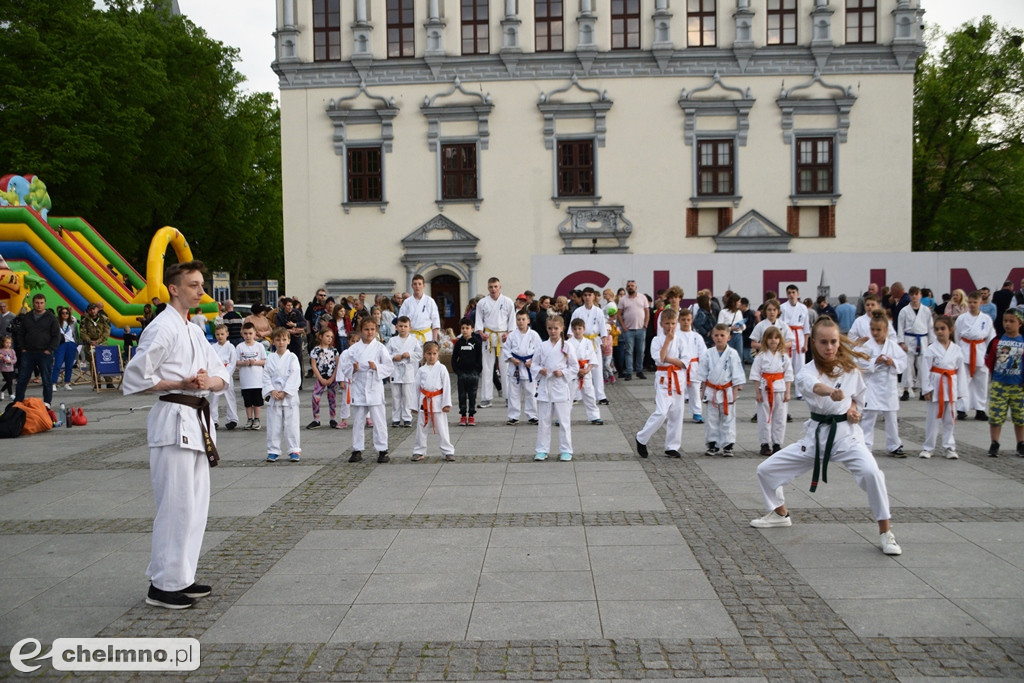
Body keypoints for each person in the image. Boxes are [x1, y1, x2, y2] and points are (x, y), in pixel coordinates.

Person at [121, 260, 228, 609]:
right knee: (175, 504)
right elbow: (136, 377)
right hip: (173, 419)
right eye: (194, 285)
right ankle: (162, 585)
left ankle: (182, 576)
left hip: (197, 419)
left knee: (196, 505)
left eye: (201, 284)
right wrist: (180, 382)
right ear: (174, 288)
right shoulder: (161, 327)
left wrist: (205, 381)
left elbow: (221, 374)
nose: (200, 291)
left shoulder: (195, 329)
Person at [751, 317, 902, 556]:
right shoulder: (806, 372)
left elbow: (858, 399)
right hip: (816, 437)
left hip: (847, 437)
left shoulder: (850, 369)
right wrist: (832, 392)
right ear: (814, 343)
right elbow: (815, 387)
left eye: (833, 341)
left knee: (872, 473)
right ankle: (780, 514)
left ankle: (886, 532)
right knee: (766, 470)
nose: (829, 347)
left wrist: (853, 410)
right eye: (823, 342)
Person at [635, 308, 690, 459]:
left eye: (673, 323)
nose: (670, 327)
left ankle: (672, 446)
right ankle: (641, 437)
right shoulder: (656, 340)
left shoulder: (681, 340)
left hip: (678, 378)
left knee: (677, 414)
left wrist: (669, 359)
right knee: (661, 412)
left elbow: (685, 362)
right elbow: (659, 358)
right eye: (667, 323)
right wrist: (667, 342)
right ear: (661, 324)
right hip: (663, 379)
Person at [341, 317, 394, 463]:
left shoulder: (380, 348)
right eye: (366, 329)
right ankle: (357, 449)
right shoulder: (353, 349)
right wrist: (353, 369)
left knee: (379, 420)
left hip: (374, 386)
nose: (369, 332)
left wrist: (377, 367)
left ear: (376, 330)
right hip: (359, 386)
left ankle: (383, 450)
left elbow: (389, 367)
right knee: (358, 421)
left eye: (372, 329)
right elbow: (345, 367)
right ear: (360, 331)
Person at [857, 311, 907, 457]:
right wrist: (874, 361)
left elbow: (903, 362)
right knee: (868, 416)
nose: (875, 332)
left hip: (888, 385)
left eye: (879, 330)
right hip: (872, 385)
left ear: (886, 330)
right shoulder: (866, 346)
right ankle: (865, 445)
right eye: (873, 329)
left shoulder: (892, 346)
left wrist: (893, 362)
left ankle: (894, 445)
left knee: (891, 416)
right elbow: (858, 361)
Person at [695, 323, 746, 456]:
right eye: (716, 335)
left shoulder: (732, 354)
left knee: (728, 418)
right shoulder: (708, 353)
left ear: (728, 337)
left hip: (726, 391)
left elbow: (737, 375)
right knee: (711, 418)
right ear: (712, 337)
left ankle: (728, 444)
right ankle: (712, 444)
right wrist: (703, 393)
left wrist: (735, 392)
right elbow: (703, 375)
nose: (719, 338)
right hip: (711, 390)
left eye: (722, 335)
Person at [534, 315, 577, 462]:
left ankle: (566, 450)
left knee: (564, 421)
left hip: (560, 386)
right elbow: (534, 364)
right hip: (545, 386)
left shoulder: (568, 346)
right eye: (550, 328)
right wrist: (540, 370)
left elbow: (574, 367)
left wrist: (563, 373)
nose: (553, 331)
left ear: (562, 329)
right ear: (546, 329)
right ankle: (542, 450)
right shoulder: (542, 345)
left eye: (556, 328)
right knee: (544, 422)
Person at [920, 315, 962, 459]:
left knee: (950, 418)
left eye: (942, 328)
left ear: (950, 330)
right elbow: (925, 370)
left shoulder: (956, 349)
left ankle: (949, 447)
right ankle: (928, 447)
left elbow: (961, 371)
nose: (939, 332)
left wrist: (961, 390)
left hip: (951, 385)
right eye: (937, 329)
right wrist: (926, 389)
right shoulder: (931, 349)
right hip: (935, 385)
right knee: (932, 418)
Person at [984, 308, 1024, 457]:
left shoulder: (1022, 341)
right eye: (1005, 321)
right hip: (999, 384)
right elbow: (989, 360)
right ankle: (994, 443)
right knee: (996, 416)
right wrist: (995, 375)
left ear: (1020, 323)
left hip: (1018, 385)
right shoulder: (997, 340)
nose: (1007, 324)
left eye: (1011, 321)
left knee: (1020, 417)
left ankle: (1021, 443)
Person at [750, 326, 793, 457]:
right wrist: (757, 392)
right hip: (764, 388)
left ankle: (777, 443)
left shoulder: (784, 356)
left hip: (780, 388)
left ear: (780, 340)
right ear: (765, 340)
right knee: (764, 417)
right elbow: (755, 375)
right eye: (770, 338)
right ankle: (764, 444)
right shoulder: (760, 356)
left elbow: (788, 375)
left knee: (780, 417)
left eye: (776, 338)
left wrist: (788, 392)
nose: (773, 341)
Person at [955, 291, 996, 421]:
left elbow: (991, 337)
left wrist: (989, 354)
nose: (972, 305)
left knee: (982, 381)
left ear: (981, 303)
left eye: (975, 302)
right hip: (965, 349)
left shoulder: (986, 319)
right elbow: (957, 336)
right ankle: (961, 409)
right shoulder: (962, 318)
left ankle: (980, 408)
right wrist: (958, 350)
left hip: (981, 351)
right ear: (967, 303)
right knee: (963, 380)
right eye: (970, 302)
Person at [475, 277, 515, 408]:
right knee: (487, 368)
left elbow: (512, 320)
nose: (493, 289)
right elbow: (479, 320)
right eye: (491, 287)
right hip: (488, 336)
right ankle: (486, 398)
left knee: (506, 369)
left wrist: (509, 333)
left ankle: (509, 397)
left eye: (496, 286)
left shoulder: (508, 301)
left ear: (500, 287)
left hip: (503, 337)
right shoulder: (482, 303)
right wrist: (481, 333)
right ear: (488, 288)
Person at [13, 293, 60, 405]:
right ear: (33, 303)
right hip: (28, 353)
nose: (39, 305)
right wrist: (23, 348)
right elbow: (20, 334)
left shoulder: (51, 318)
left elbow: (56, 335)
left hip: (44, 353)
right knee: (22, 379)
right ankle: (18, 402)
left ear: (44, 303)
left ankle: (47, 403)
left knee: (46, 379)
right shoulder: (27, 317)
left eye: (41, 303)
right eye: (37, 303)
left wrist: (50, 349)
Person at [263, 327, 302, 462]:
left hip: (288, 396)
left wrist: (285, 392)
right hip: (275, 394)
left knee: (292, 424)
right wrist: (272, 390)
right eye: (278, 340)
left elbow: (295, 374)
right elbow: (266, 375)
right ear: (273, 342)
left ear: (289, 341)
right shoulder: (270, 358)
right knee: (274, 424)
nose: (281, 342)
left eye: (284, 339)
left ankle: (294, 450)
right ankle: (273, 450)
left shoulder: (292, 357)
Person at [411, 340, 454, 462]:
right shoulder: (421, 370)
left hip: (438, 402)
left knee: (442, 428)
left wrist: (446, 404)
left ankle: (448, 451)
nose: (431, 356)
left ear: (438, 354)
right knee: (421, 428)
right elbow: (416, 388)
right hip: (424, 403)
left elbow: (446, 386)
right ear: (424, 354)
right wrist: (414, 405)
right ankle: (419, 451)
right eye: (429, 353)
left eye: (434, 353)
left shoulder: (442, 368)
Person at [570, 287, 610, 405]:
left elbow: (602, 327)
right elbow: (571, 328)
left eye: (589, 295)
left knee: (597, 368)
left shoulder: (598, 311)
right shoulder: (577, 311)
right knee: (579, 367)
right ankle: (576, 395)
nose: (587, 297)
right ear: (583, 297)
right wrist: (570, 339)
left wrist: (604, 339)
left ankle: (600, 395)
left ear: (593, 296)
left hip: (594, 341)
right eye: (585, 295)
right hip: (580, 340)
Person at [503, 309, 541, 426]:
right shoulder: (512, 335)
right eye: (518, 319)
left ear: (528, 320)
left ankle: (532, 416)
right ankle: (513, 416)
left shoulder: (534, 335)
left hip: (529, 367)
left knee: (531, 392)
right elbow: (506, 349)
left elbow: (539, 351)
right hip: (515, 367)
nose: (521, 322)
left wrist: (532, 361)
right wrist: (512, 359)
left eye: (523, 319)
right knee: (513, 393)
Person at [897, 286, 934, 401]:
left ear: (920, 295)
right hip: (909, 339)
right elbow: (900, 327)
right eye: (912, 294)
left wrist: (931, 342)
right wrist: (901, 342)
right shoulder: (904, 310)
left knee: (923, 367)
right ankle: (906, 390)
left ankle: (923, 390)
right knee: (907, 367)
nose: (914, 296)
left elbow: (930, 327)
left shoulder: (926, 310)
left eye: (916, 294)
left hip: (923, 340)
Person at [567, 318, 603, 426]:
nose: (577, 331)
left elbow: (592, 358)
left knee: (590, 395)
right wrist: (577, 370)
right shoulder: (568, 343)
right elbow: (566, 360)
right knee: (569, 396)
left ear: (584, 329)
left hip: (586, 371)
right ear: (572, 330)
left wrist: (587, 370)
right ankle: (563, 417)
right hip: (573, 372)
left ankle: (594, 416)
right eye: (575, 329)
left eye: (580, 328)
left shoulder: (588, 342)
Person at [387, 316, 421, 428]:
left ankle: (407, 418)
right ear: (396, 327)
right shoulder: (392, 340)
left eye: (405, 326)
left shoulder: (414, 340)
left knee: (407, 397)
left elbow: (420, 354)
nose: (403, 328)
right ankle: (396, 418)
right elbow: (385, 354)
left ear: (410, 327)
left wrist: (410, 355)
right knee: (396, 396)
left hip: (408, 371)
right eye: (400, 326)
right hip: (395, 371)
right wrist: (393, 357)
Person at [677, 308, 707, 424]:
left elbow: (703, 353)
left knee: (695, 390)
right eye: (683, 319)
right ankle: (677, 413)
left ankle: (697, 412)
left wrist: (703, 367)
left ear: (692, 320)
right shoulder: (675, 335)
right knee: (679, 391)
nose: (685, 322)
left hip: (694, 366)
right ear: (679, 320)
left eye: (688, 320)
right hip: (679, 366)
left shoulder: (696, 336)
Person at [451, 318, 483, 426]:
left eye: (467, 328)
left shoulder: (477, 343)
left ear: (472, 329)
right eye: (463, 328)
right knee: (462, 395)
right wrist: (457, 370)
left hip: (473, 373)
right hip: (462, 373)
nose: (465, 330)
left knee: (472, 395)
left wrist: (478, 370)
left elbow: (480, 358)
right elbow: (454, 358)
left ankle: (472, 415)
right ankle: (463, 415)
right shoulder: (458, 343)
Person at [779, 285, 810, 397]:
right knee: (786, 367)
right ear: (787, 295)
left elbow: (806, 328)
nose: (791, 295)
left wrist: (806, 343)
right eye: (789, 293)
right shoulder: (782, 307)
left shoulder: (803, 308)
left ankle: (799, 392)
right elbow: (780, 326)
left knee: (800, 368)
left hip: (800, 339)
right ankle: (783, 391)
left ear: (798, 293)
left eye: (793, 292)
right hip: (787, 338)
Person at [236, 322, 267, 430]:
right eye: (246, 333)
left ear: (255, 333)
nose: (248, 336)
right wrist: (244, 363)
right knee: (248, 402)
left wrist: (255, 362)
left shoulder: (259, 346)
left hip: (257, 380)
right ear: (242, 334)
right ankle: (249, 419)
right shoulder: (240, 347)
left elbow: (264, 361)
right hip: (246, 380)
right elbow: (236, 362)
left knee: (257, 401)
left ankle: (257, 419)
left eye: (250, 333)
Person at [616, 279, 650, 381]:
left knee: (640, 351)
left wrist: (646, 324)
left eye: (632, 285)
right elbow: (618, 314)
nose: (630, 287)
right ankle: (629, 372)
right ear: (626, 288)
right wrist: (624, 327)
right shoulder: (623, 299)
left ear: (636, 287)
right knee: (629, 351)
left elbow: (647, 311)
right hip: (628, 330)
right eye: (629, 286)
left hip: (641, 329)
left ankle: (639, 371)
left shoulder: (642, 297)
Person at [308, 327, 340, 430]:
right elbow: (314, 365)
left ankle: (333, 418)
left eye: (331, 337)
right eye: (327, 336)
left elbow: (337, 365)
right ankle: (316, 419)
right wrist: (320, 378)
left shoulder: (334, 351)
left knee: (332, 398)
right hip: (321, 377)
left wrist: (333, 377)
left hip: (332, 377)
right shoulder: (315, 350)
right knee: (315, 397)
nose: (329, 338)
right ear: (321, 336)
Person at [209, 324, 239, 431]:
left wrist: (226, 374)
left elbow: (233, 363)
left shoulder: (231, 347)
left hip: (227, 374)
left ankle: (232, 419)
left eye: (222, 334)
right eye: (217, 334)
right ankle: (213, 420)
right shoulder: (212, 348)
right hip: (216, 375)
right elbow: (211, 362)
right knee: (213, 398)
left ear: (227, 334)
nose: (220, 336)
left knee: (230, 397)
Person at [398, 274, 441, 345]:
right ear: (412, 286)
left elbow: (435, 321)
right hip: (411, 335)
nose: (417, 286)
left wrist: (435, 340)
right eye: (415, 284)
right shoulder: (407, 302)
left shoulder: (430, 301)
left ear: (423, 285)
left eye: (419, 284)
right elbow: (401, 320)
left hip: (427, 336)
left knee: (427, 355)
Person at [275, 298, 307, 386]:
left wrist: (295, 325)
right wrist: (288, 330)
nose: (290, 307)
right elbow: (278, 327)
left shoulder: (297, 312)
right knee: (285, 359)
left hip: (296, 338)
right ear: (284, 306)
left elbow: (304, 323)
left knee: (297, 359)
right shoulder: (280, 315)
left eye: (291, 305)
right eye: (288, 305)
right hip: (285, 338)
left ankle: (299, 383)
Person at [51, 306, 78, 391]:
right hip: (61, 344)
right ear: (60, 314)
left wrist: (76, 343)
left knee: (69, 365)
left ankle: (67, 383)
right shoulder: (56, 322)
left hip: (71, 344)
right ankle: (53, 383)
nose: (65, 314)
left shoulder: (72, 322)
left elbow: (76, 333)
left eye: (67, 313)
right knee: (57, 364)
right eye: (63, 313)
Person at [0, 335, 16, 400]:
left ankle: (5, 392)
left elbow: (15, 359)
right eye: (7, 342)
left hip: (11, 368)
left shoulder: (12, 351)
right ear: (3, 343)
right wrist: (1, 358)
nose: (8, 344)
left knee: (10, 381)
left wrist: (11, 361)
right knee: (9, 381)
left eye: (9, 343)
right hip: (4, 369)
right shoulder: (1, 351)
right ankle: (9, 393)